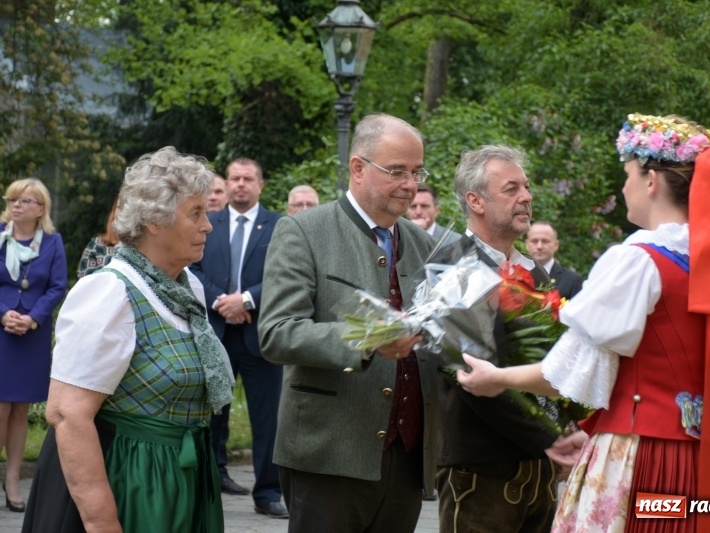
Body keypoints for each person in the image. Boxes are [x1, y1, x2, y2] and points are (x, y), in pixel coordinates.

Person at [457, 113, 710, 532]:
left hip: (640, 454)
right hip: (692, 457)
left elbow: (566, 374)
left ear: (651, 181)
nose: (625, 185)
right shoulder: (708, 265)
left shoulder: (637, 259)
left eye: (628, 174)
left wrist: (498, 377)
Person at [21, 146, 234, 532]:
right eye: (196, 213)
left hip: (181, 481)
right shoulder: (108, 292)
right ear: (155, 220)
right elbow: (67, 414)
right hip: (130, 484)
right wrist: (103, 521)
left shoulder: (188, 289)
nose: (208, 226)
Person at [258, 113, 437, 532]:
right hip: (329, 454)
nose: (410, 184)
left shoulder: (424, 243)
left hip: (407, 457)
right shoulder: (303, 231)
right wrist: (367, 340)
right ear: (358, 168)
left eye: (416, 172)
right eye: (397, 171)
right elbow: (277, 332)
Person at [430, 145, 559, 533]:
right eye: (511, 189)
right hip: (480, 469)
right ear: (475, 201)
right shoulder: (453, 266)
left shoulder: (533, 271)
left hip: (541, 469)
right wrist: (551, 439)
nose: (526, 197)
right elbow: (472, 377)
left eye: (527, 187)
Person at [189, 157, 286, 517]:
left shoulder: (279, 225)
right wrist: (222, 301)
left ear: (260, 184)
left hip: (261, 335)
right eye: (235, 178)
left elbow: (285, 271)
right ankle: (208, 488)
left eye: (248, 178)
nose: (241, 184)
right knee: (212, 417)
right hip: (216, 335)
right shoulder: (207, 223)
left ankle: (268, 493)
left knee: (268, 420)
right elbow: (192, 267)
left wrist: (246, 300)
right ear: (226, 184)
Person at [0, 178, 68, 513]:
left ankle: (12, 482)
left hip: (33, 334)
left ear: (41, 209)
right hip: (1, 331)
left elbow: (57, 287)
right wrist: (4, 315)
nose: (17, 205)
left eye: (25, 200)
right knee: (0, 408)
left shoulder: (53, 243)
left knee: (20, 410)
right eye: (13, 199)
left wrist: (33, 318)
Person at [525, 221, 583, 299]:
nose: (539, 246)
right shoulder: (515, 276)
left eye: (545, 241)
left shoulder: (572, 280)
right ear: (527, 244)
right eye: (534, 241)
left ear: (556, 245)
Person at [77, 195, 121, 278]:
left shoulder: (144, 248)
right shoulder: (96, 246)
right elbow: (84, 281)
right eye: (119, 207)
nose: (121, 212)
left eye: (126, 208)